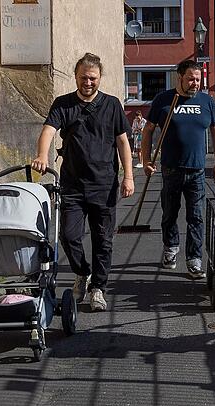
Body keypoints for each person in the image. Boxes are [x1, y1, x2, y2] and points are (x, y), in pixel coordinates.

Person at [32, 53, 134, 312]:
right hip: (73, 185)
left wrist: (128, 177)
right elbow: (48, 131)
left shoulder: (112, 105)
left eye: (93, 78)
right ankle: (82, 273)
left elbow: (123, 142)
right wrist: (43, 155)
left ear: (100, 78)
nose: (88, 82)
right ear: (76, 77)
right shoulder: (63, 104)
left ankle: (98, 288)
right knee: (69, 236)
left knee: (103, 240)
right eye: (83, 78)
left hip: (104, 184)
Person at [142, 60, 215, 279]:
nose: (194, 83)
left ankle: (194, 259)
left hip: (197, 170)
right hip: (171, 169)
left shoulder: (207, 102)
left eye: (197, 79)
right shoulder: (163, 100)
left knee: (196, 217)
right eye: (190, 78)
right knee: (169, 214)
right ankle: (171, 249)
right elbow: (148, 131)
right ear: (179, 77)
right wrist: (147, 159)